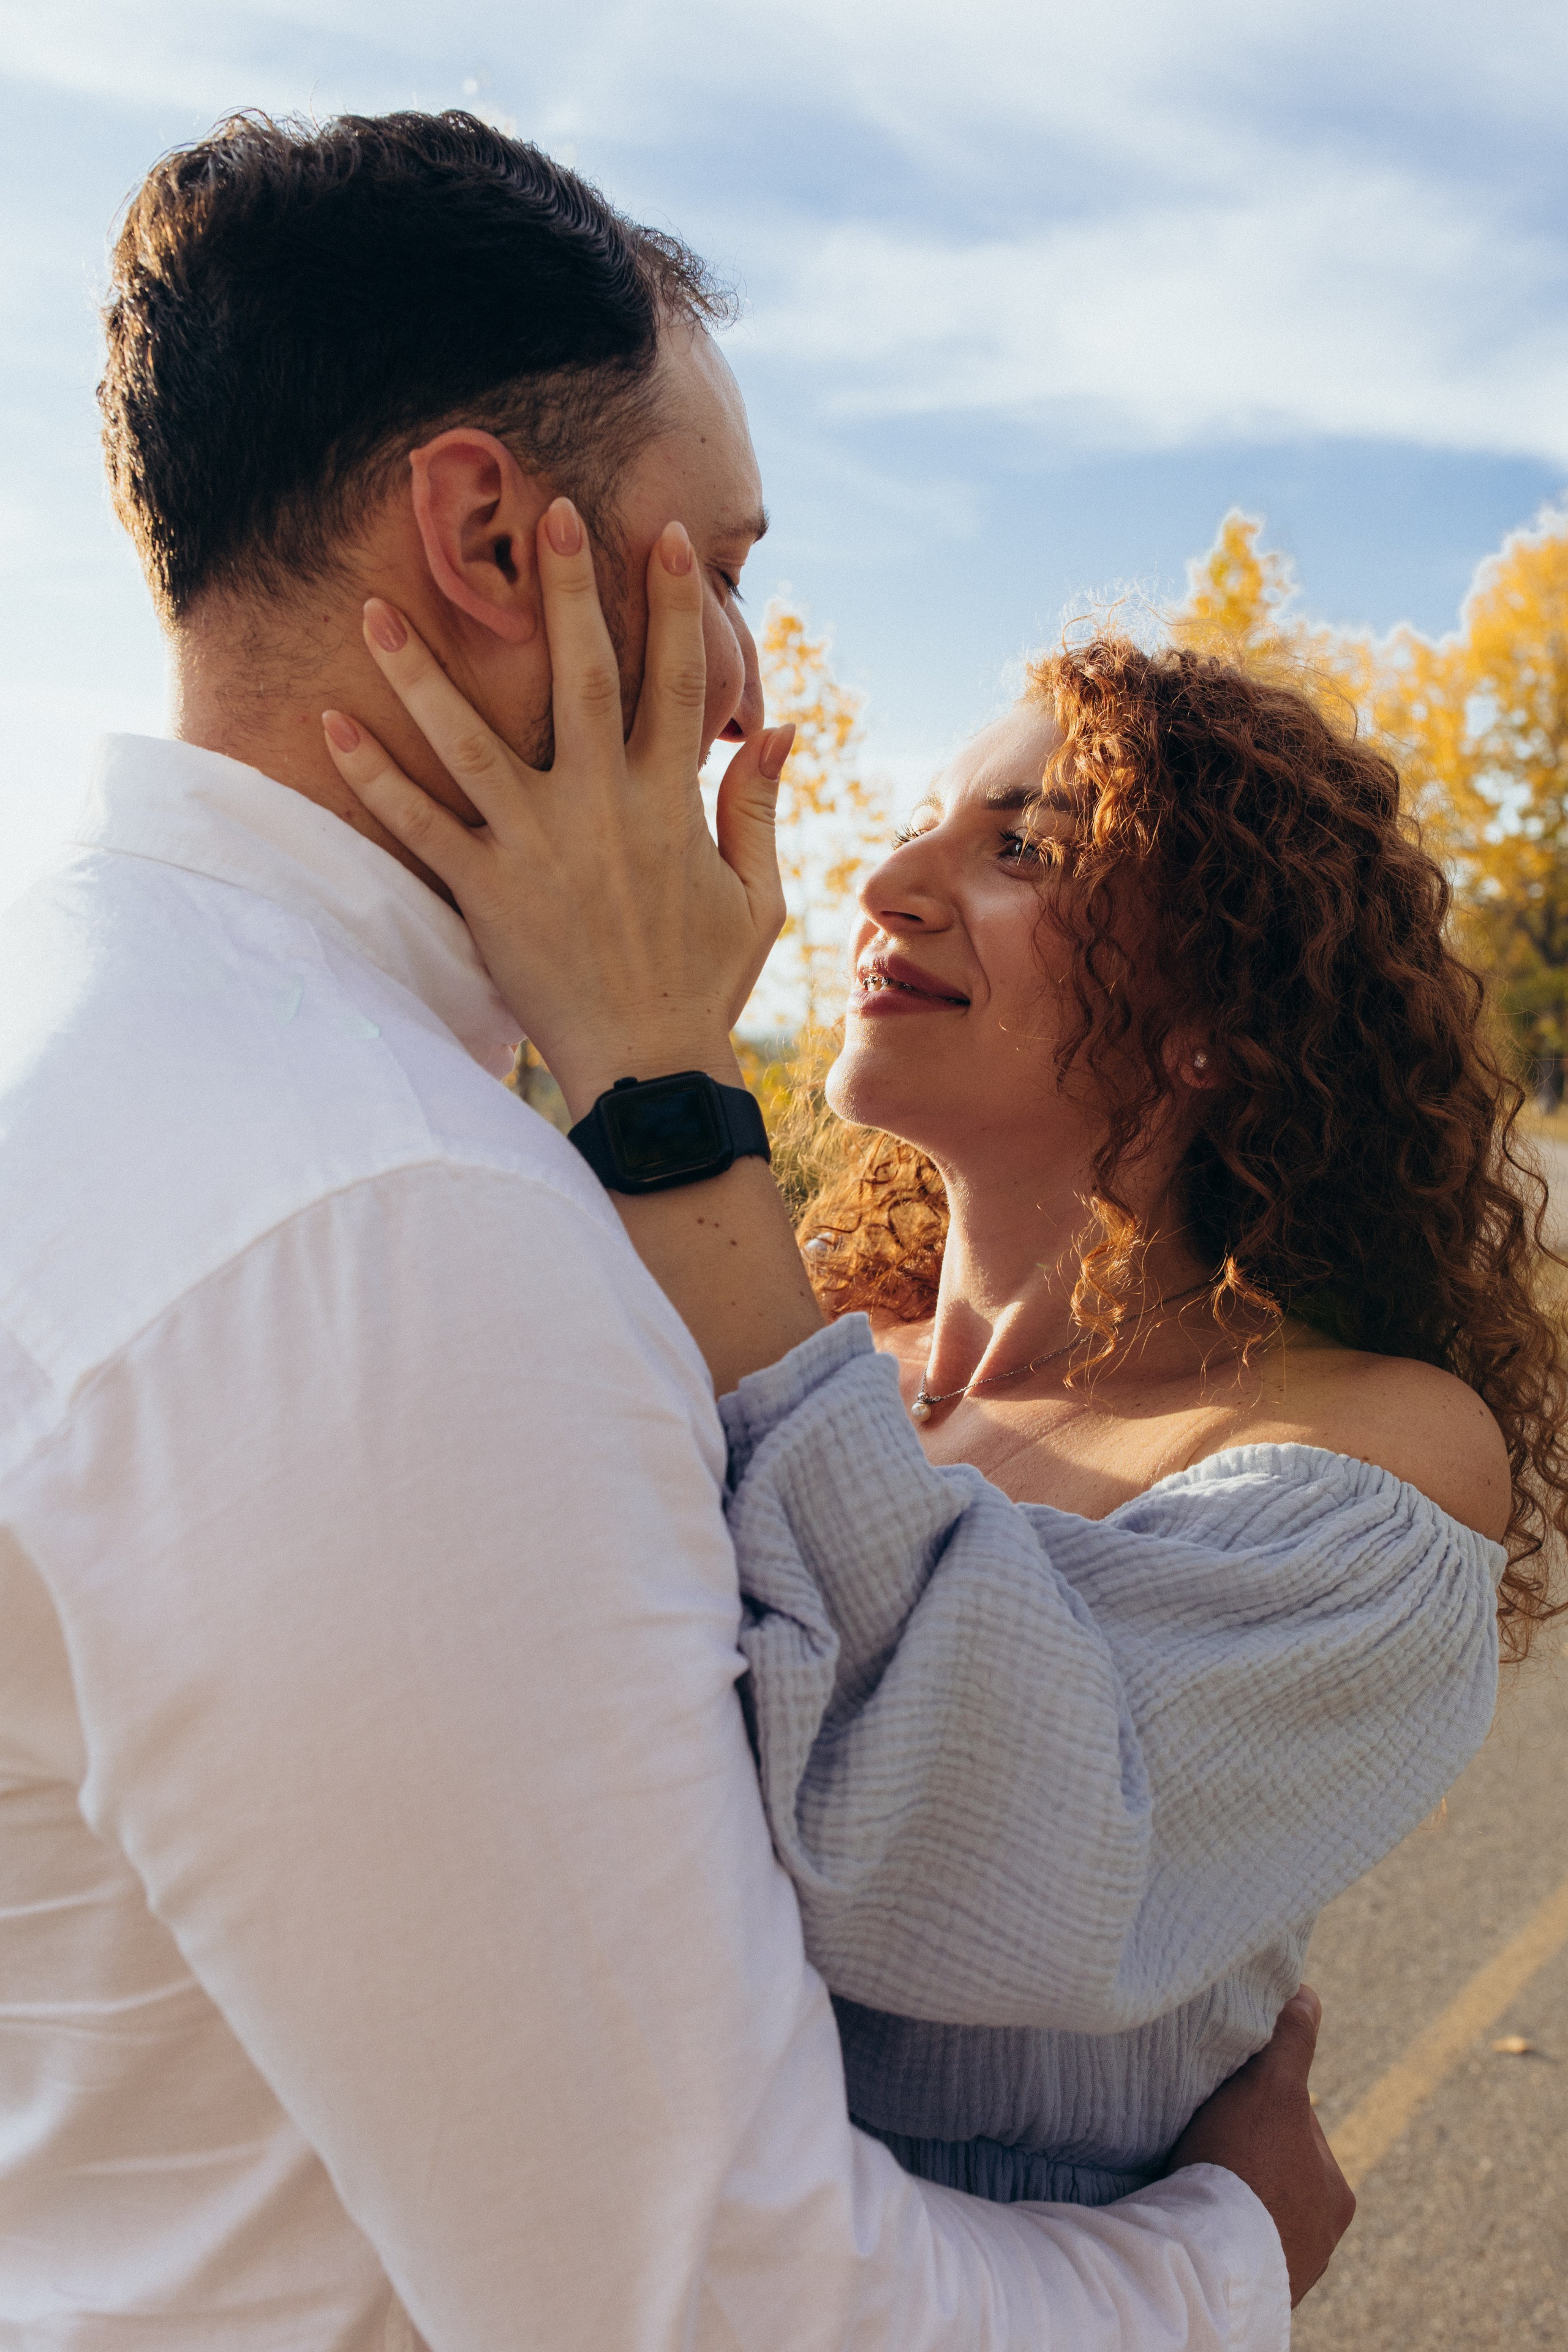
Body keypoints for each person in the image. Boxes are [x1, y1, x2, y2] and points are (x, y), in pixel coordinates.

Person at [0, 108, 1347, 2351]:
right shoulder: (387, 1229)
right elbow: (708, 2308)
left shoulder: (104, 1039)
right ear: (486, 541)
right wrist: (1226, 2256)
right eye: (714, 566)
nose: (750, 675)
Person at [326, 459, 1565, 2215]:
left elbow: (964, 1847)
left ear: (1223, 1013)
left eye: (1023, 850)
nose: (887, 881)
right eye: (922, 823)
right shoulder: (767, 1318)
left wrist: (665, 1081)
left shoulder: (1371, 1450)